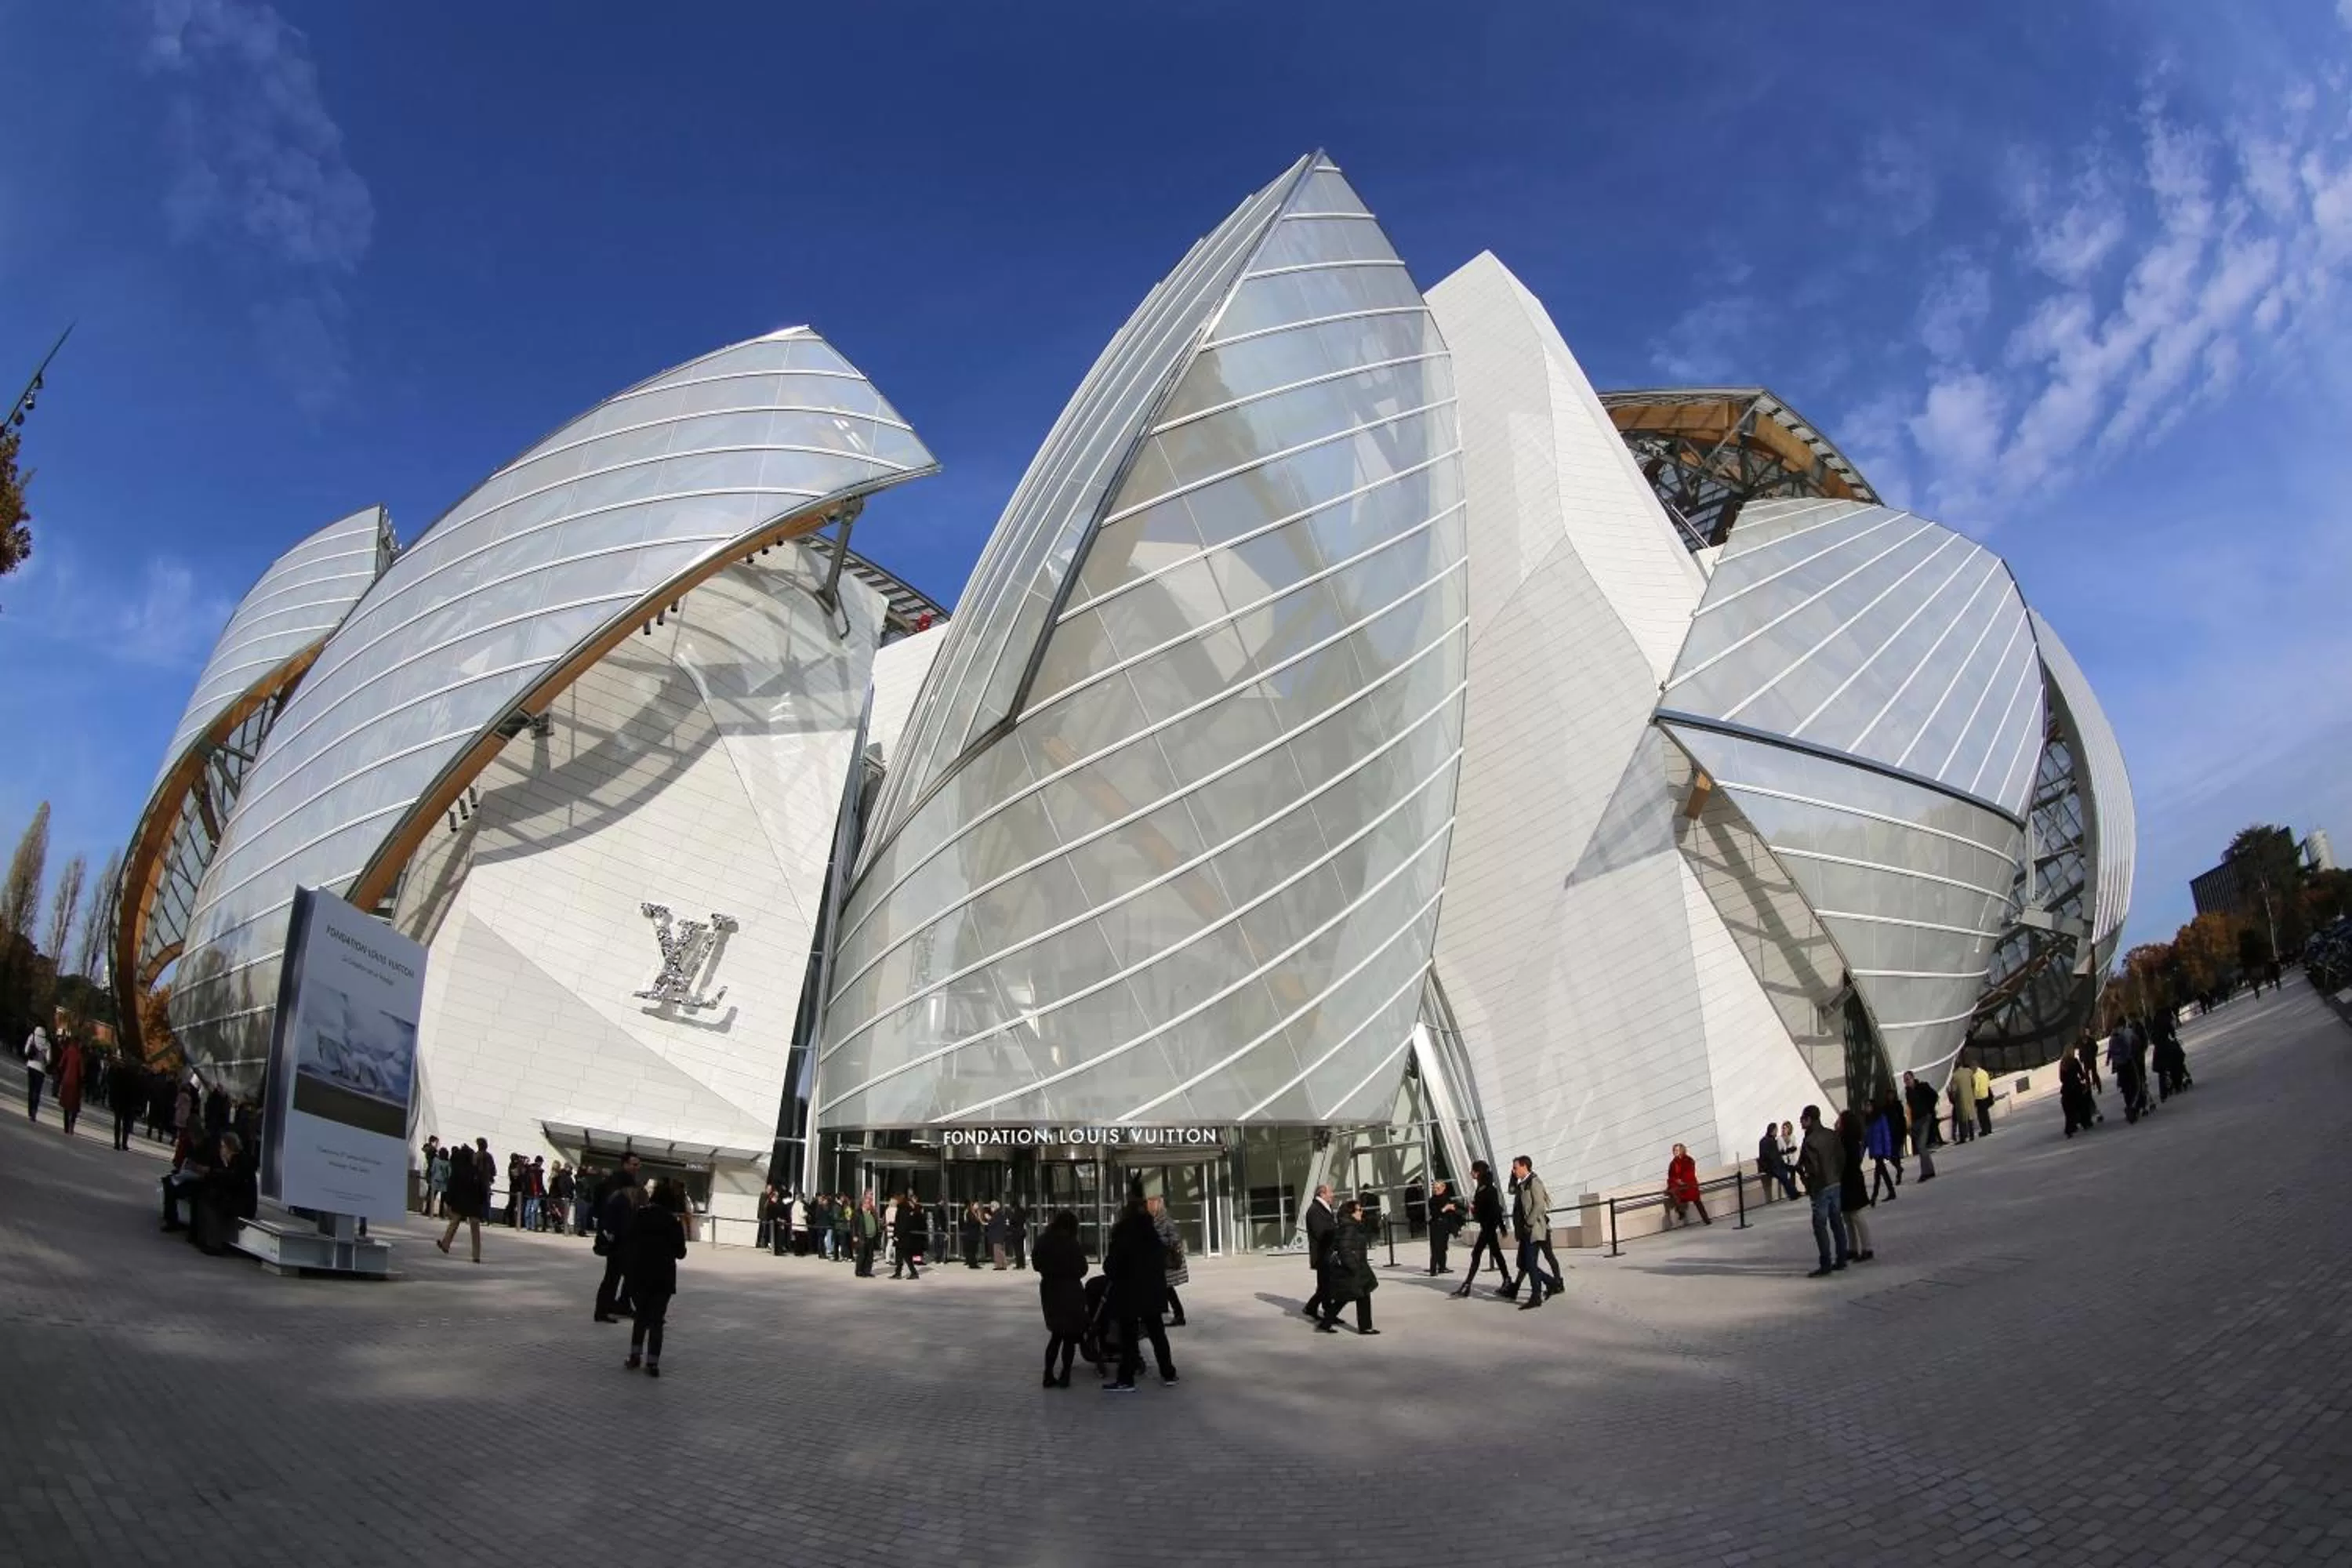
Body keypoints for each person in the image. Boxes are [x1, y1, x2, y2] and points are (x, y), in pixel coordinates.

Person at [1100, 1184, 1176, 1391]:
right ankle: (1168, 1373)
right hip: (1152, 1290)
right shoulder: (1151, 1233)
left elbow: (1112, 1265)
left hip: (1129, 1291)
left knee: (1129, 1336)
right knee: (1157, 1332)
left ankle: (1127, 1378)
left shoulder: (1123, 1233)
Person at [622, 1178, 688, 1377]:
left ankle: (635, 1356)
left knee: (641, 1317)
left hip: (640, 1274)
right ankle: (653, 1362)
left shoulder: (640, 1215)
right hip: (663, 1277)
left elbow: (628, 1240)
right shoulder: (673, 1222)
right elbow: (681, 1253)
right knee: (657, 1321)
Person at [1033, 1210, 1088, 1388]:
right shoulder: (1072, 1243)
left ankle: (1048, 1374)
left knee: (1056, 1335)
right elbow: (1083, 1269)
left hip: (1050, 1290)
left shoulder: (1043, 1240)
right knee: (1069, 1337)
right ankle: (1065, 1374)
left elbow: (1036, 1264)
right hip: (1071, 1291)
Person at [1315, 1197, 1381, 1335]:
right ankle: (1365, 1327)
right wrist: (1353, 1266)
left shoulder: (1351, 1225)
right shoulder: (1350, 1227)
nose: (1361, 1212)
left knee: (1346, 1297)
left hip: (1356, 1266)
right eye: (1358, 1210)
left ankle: (1326, 1323)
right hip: (1354, 1268)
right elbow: (1344, 1249)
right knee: (1358, 1295)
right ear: (1350, 1213)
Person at [1797, 1105, 1847, 1277]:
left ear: (1809, 1119)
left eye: (1802, 1119)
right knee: (1837, 1221)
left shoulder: (1810, 1141)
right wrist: (1837, 1175)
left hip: (1820, 1187)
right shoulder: (1831, 1135)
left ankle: (1825, 1263)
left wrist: (1809, 1184)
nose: (1801, 1122)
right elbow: (1841, 1157)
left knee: (1820, 1225)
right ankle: (1842, 1258)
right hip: (1835, 1182)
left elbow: (1812, 1168)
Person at [1452, 1160, 1515, 1298]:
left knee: (1477, 1253)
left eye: (1473, 1171)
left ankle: (1468, 1284)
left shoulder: (1489, 1189)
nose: (1471, 1173)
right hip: (1486, 1226)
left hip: (1488, 1226)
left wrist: (1502, 1227)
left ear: (1478, 1172)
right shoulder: (1481, 1188)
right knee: (1495, 1253)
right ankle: (1507, 1280)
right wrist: (1475, 1209)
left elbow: (1495, 1209)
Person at [593, 1153, 644, 1318]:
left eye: (638, 1164)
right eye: (634, 1164)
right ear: (625, 1164)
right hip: (619, 1239)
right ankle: (605, 1308)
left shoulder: (625, 1184)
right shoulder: (614, 1186)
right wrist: (609, 1233)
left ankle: (619, 1304)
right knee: (615, 1276)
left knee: (625, 1275)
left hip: (626, 1238)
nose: (637, 1168)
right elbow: (607, 1212)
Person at [1508, 1156, 1561, 1309]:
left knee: (1530, 1263)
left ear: (1524, 1166)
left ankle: (1537, 1295)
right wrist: (1513, 1177)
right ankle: (1551, 1283)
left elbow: (1539, 1205)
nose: (1513, 1170)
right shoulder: (1523, 1184)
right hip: (1526, 1230)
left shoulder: (1534, 1182)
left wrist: (1529, 1223)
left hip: (1534, 1229)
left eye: (1515, 1168)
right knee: (1524, 1263)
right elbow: (1511, 1191)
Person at [437, 1142, 488, 1263]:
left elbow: (452, 1186)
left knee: (454, 1223)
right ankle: (476, 1255)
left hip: (460, 1202)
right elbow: (482, 1188)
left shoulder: (458, 1170)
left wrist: (449, 1201)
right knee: (475, 1230)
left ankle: (445, 1244)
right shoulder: (476, 1171)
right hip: (474, 1204)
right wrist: (482, 1202)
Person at [1836, 1108, 1875, 1262]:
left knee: (1856, 1215)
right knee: (1847, 1216)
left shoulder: (1849, 1141)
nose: (1837, 1123)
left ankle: (1867, 1247)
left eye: (1839, 1121)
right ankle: (1852, 1248)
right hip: (1847, 1180)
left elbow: (1848, 1162)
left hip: (1851, 1180)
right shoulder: (1845, 1139)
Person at [1146, 1194, 1189, 1327]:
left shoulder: (1165, 1220)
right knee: (1164, 1289)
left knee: (1166, 1288)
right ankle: (1174, 1314)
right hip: (1158, 1260)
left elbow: (1175, 1239)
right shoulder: (1153, 1220)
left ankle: (1178, 1315)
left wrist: (1159, 1242)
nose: (1149, 1206)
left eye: (1152, 1204)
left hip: (1165, 1261)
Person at [1301, 1183, 1338, 1319]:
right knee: (1325, 1286)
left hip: (1329, 1253)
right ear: (1322, 1194)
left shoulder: (1325, 1208)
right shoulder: (1314, 1210)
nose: (1333, 1195)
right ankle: (1321, 1311)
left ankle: (1318, 1310)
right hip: (1323, 1254)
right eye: (1330, 1192)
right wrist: (1336, 1234)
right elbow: (1320, 1232)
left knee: (1326, 1285)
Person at [1901, 1072, 1939, 1180]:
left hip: (1925, 1118)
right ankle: (1930, 1170)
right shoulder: (1908, 1093)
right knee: (1921, 1147)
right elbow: (1911, 1108)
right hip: (1917, 1121)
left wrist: (1929, 1110)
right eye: (1905, 1080)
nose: (1907, 1081)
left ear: (1913, 1078)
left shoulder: (1922, 1087)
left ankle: (1925, 1173)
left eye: (1908, 1079)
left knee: (1921, 1146)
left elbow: (1934, 1096)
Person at [1664, 1144, 1711, 1227]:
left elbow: (1690, 1172)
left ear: (1682, 1150)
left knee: (1697, 1201)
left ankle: (1706, 1219)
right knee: (1673, 1192)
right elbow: (1671, 1176)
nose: (1675, 1152)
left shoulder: (1689, 1160)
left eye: (1677, 1150)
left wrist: (1683, 1181)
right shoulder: (1673, 1163)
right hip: (1678, 1185)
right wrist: (1677, 1181)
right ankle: (1681, 1211)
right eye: (1674, 1150)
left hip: (1689, 1183)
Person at [108, 1052, 143, 1151]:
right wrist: (138, 1103)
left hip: (120, 1100)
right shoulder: (135, 1075)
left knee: (118, 1122)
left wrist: (112, 1100)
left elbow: (113, 1087)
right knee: (126, 1123)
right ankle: (124, 1143)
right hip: (129, 1101)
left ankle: (117, 1142)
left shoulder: (119, 1072)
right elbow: (138, 1090)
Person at [1865, 1102, 1900, 1203]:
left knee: (1879, 1174)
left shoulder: (1881, 1118)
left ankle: (1875, 1195)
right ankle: (1889, 1192)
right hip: (1876, 1151)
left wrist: (1887, 1151)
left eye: (1869, 1106)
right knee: (1881, 1173)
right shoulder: (1869, 1120)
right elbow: (1869, 1138)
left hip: (1880, 1151)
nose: (1867, 1108)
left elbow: (1886, 1135)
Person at [1425, 1178, 1462, 1272]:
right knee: (1436, 1248)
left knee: (1443, 1247)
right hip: (1436, 1225)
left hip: (1445, 1225)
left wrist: (1454, 1208)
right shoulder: (1432, 1200)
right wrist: (1445, 1208)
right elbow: (1435, 1214)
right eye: (1434, 1188)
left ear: (1443, 1188)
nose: (1435, 1190)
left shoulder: (1447, 1198)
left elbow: (1454, 1212)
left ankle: (1442, 1267)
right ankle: (1433, 1269)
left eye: (1438, 1188)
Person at [2059, 1048, 2097, 1138]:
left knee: (2069, 1110)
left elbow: (2061, 1078)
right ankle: (2085, 1122)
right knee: (2082, 1106)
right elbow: (2081, 1074)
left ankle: (2070, 1128)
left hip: (2066, 1090)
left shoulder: (2062, 1063)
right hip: (2076, 1088)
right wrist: (2083, 1079)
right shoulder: (2074, 1061)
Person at [891, 1192, 927, 1279]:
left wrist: (898, 1236)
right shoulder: (905, 1209)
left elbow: (903, 1224)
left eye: (895, 1200)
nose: (894, 1201)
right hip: (903, 1236)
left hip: (902, 1237)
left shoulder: (903, 1210)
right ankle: (898, 1273)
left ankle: (912, 1273)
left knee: (906, 1256)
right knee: (900, 1256)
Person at [55, 1036, 85, 1138]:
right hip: (76, 1083)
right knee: (74, 1106)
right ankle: (72, 1125)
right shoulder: (79, 1055)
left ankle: (66, 1127)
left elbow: (61, 1065)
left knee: (66, 1105)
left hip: (66, 1081)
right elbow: (82, 1073)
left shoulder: (68, 1051)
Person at [1758, 1124, 1795, 1203]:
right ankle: (1793, 1194)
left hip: (1767, 1167)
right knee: (1784, 1177)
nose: (1777, 1132)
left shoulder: (1764, 1140)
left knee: (1769, 1189)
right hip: (1771, 1167)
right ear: (1774, 1130)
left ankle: (1792, 1194)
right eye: (1776, 1130)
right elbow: (1773, 1156)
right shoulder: (1771, 1141)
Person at [23, 1022, 52, 1123]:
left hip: (31, 1066)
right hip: (41, 1069)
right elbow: (49, 1060)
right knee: (37, 1092)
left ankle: (30, 1111)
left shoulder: (32, 1037)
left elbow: (26, 1051)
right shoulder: (47, 1043)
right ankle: (34, 1112)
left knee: (31, 1090)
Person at [852, 1191, 881, 1276]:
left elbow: (875, 1223)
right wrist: (854, 1235)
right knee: (862, 1255)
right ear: (864, 1204)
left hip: (871, 1237)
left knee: (870, 1256)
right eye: (868, 1203)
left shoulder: (872, 1212)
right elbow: (853, 1225)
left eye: (870, 1203)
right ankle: (859, 1271)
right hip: (862, 1237)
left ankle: (867, 1271)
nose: (870, 1205)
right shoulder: (858, 1213)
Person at [1947, 1071, 1973, 1144]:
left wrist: (1950, 1095)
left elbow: (1952, 1093)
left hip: (1958, 1102)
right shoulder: (1968, 1073)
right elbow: (1973, 1084)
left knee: (1959, 1119)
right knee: (1969, 1117)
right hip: (1968, 1100)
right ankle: (1971, 1135)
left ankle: (1959, 1136)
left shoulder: (1954, 1077)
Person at [1971, 1059, 1994, 1138]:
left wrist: (1973, 1098)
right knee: (1986, 1114)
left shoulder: (1976, 1075)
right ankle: (1989, 1129)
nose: (1972, 1069)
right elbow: (1988, 1083)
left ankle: (1984, 1130)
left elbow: (1976, 1088)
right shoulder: (1984, 1072)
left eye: (1972, 1067)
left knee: (1981, 1115)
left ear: (1975, 1066)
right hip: (1986, 1095)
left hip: (1979, 1097)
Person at [986, 1200, 1012, 1270]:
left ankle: (999, 1265)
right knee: (1001, 1251)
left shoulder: (997, 1214)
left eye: (991, 1207)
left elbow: (992, 1223)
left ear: (994, 1207)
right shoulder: (1000, 1214)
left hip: (997, 1235)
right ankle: (1003, 1265)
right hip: (1001, 1235)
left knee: (997, 1251)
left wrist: (989, 1219)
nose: (991, 1209)